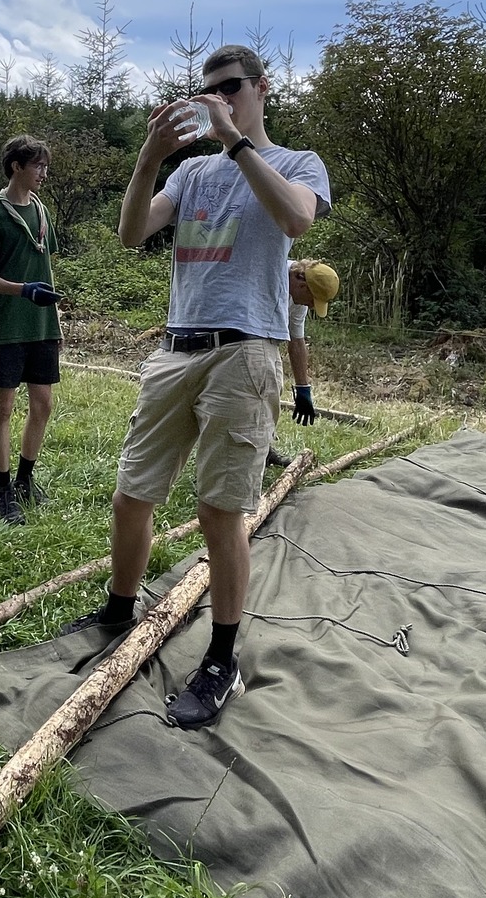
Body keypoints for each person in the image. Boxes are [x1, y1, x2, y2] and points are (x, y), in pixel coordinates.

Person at [70, 45, 329, 728]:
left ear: (260, 89)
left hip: (243, 352)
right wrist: (148, 157)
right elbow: (131, 235)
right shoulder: (189, 174)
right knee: (133, 495)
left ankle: (221, 658)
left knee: (220, 511)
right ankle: (119, 612)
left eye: (230, 88)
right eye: (207, 90)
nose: (217, 97)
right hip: (175, 347)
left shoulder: (296, 164)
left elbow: (297, 220)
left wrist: (237, 140)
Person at [0, 135, 63, 526]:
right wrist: (24, 291)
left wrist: (50, 310)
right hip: (6, 327)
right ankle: (3, 488)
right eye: (37, 165)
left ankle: (26, 479)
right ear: (16, 167)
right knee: (4, 408)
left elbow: (44, 260)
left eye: (45, 165)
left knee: (43, 404)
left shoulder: (41, 212)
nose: (44, 173)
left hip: (41, 326)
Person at [268, 258, 341, 464]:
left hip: (267, 340)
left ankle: (264, 449)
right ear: (302, 285)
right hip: (239, 336)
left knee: (273, 385)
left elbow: (296, 341)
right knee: (259, 387)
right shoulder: (270, 278)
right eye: (312, 300)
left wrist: (303, 389)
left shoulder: (299, 292)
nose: (311, 305)